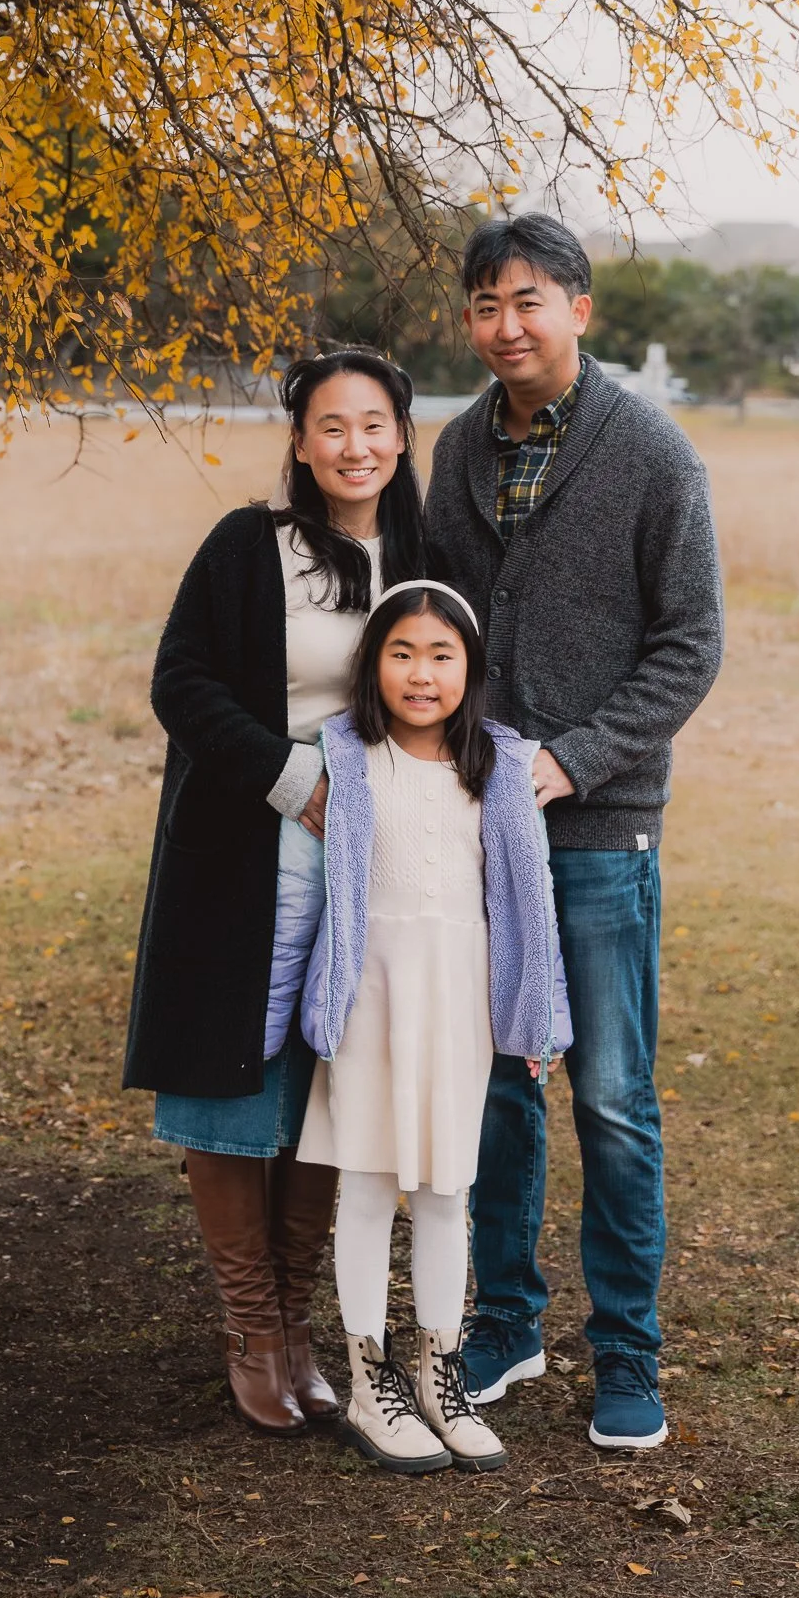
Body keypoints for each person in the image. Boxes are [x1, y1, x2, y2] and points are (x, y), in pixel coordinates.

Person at [423, 212, 724, 1450]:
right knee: (496, 1086)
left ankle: (629, 1353)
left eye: (529, 300)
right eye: (486, 304)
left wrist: (573, 759)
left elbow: (690, 644)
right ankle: (505, 1319)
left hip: (604, 832)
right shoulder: (457, 451)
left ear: (580, 310)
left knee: (609, 1093)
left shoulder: (653, 454)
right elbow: (435, 615)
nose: (507, 325)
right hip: (478, 826)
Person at [122, 351, 425, 1435]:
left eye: (375, 423)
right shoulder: (252, 547)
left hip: (374, 846)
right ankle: (250, 1326)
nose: (355, 444)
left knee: (325, 1081)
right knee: (232, 1076)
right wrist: (288, 775)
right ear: (301, 442)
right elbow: (182, 680)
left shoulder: (424, 556)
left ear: (401, 434)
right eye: (332, 426)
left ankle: (299, 1326)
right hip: (248, 841)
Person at [288, 582, 573, 1473]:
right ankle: (370, 1377)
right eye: (401, 652)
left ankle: (438, 1372)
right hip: (371, 994)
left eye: (441, 655)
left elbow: (529, 909)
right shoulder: (346, 758)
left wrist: (535, 1016)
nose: (421, 673)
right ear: (373, 665)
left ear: (471, 669)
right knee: (370, 1187)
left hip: (457, 999)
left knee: (448, 1190)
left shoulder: (498, 767)